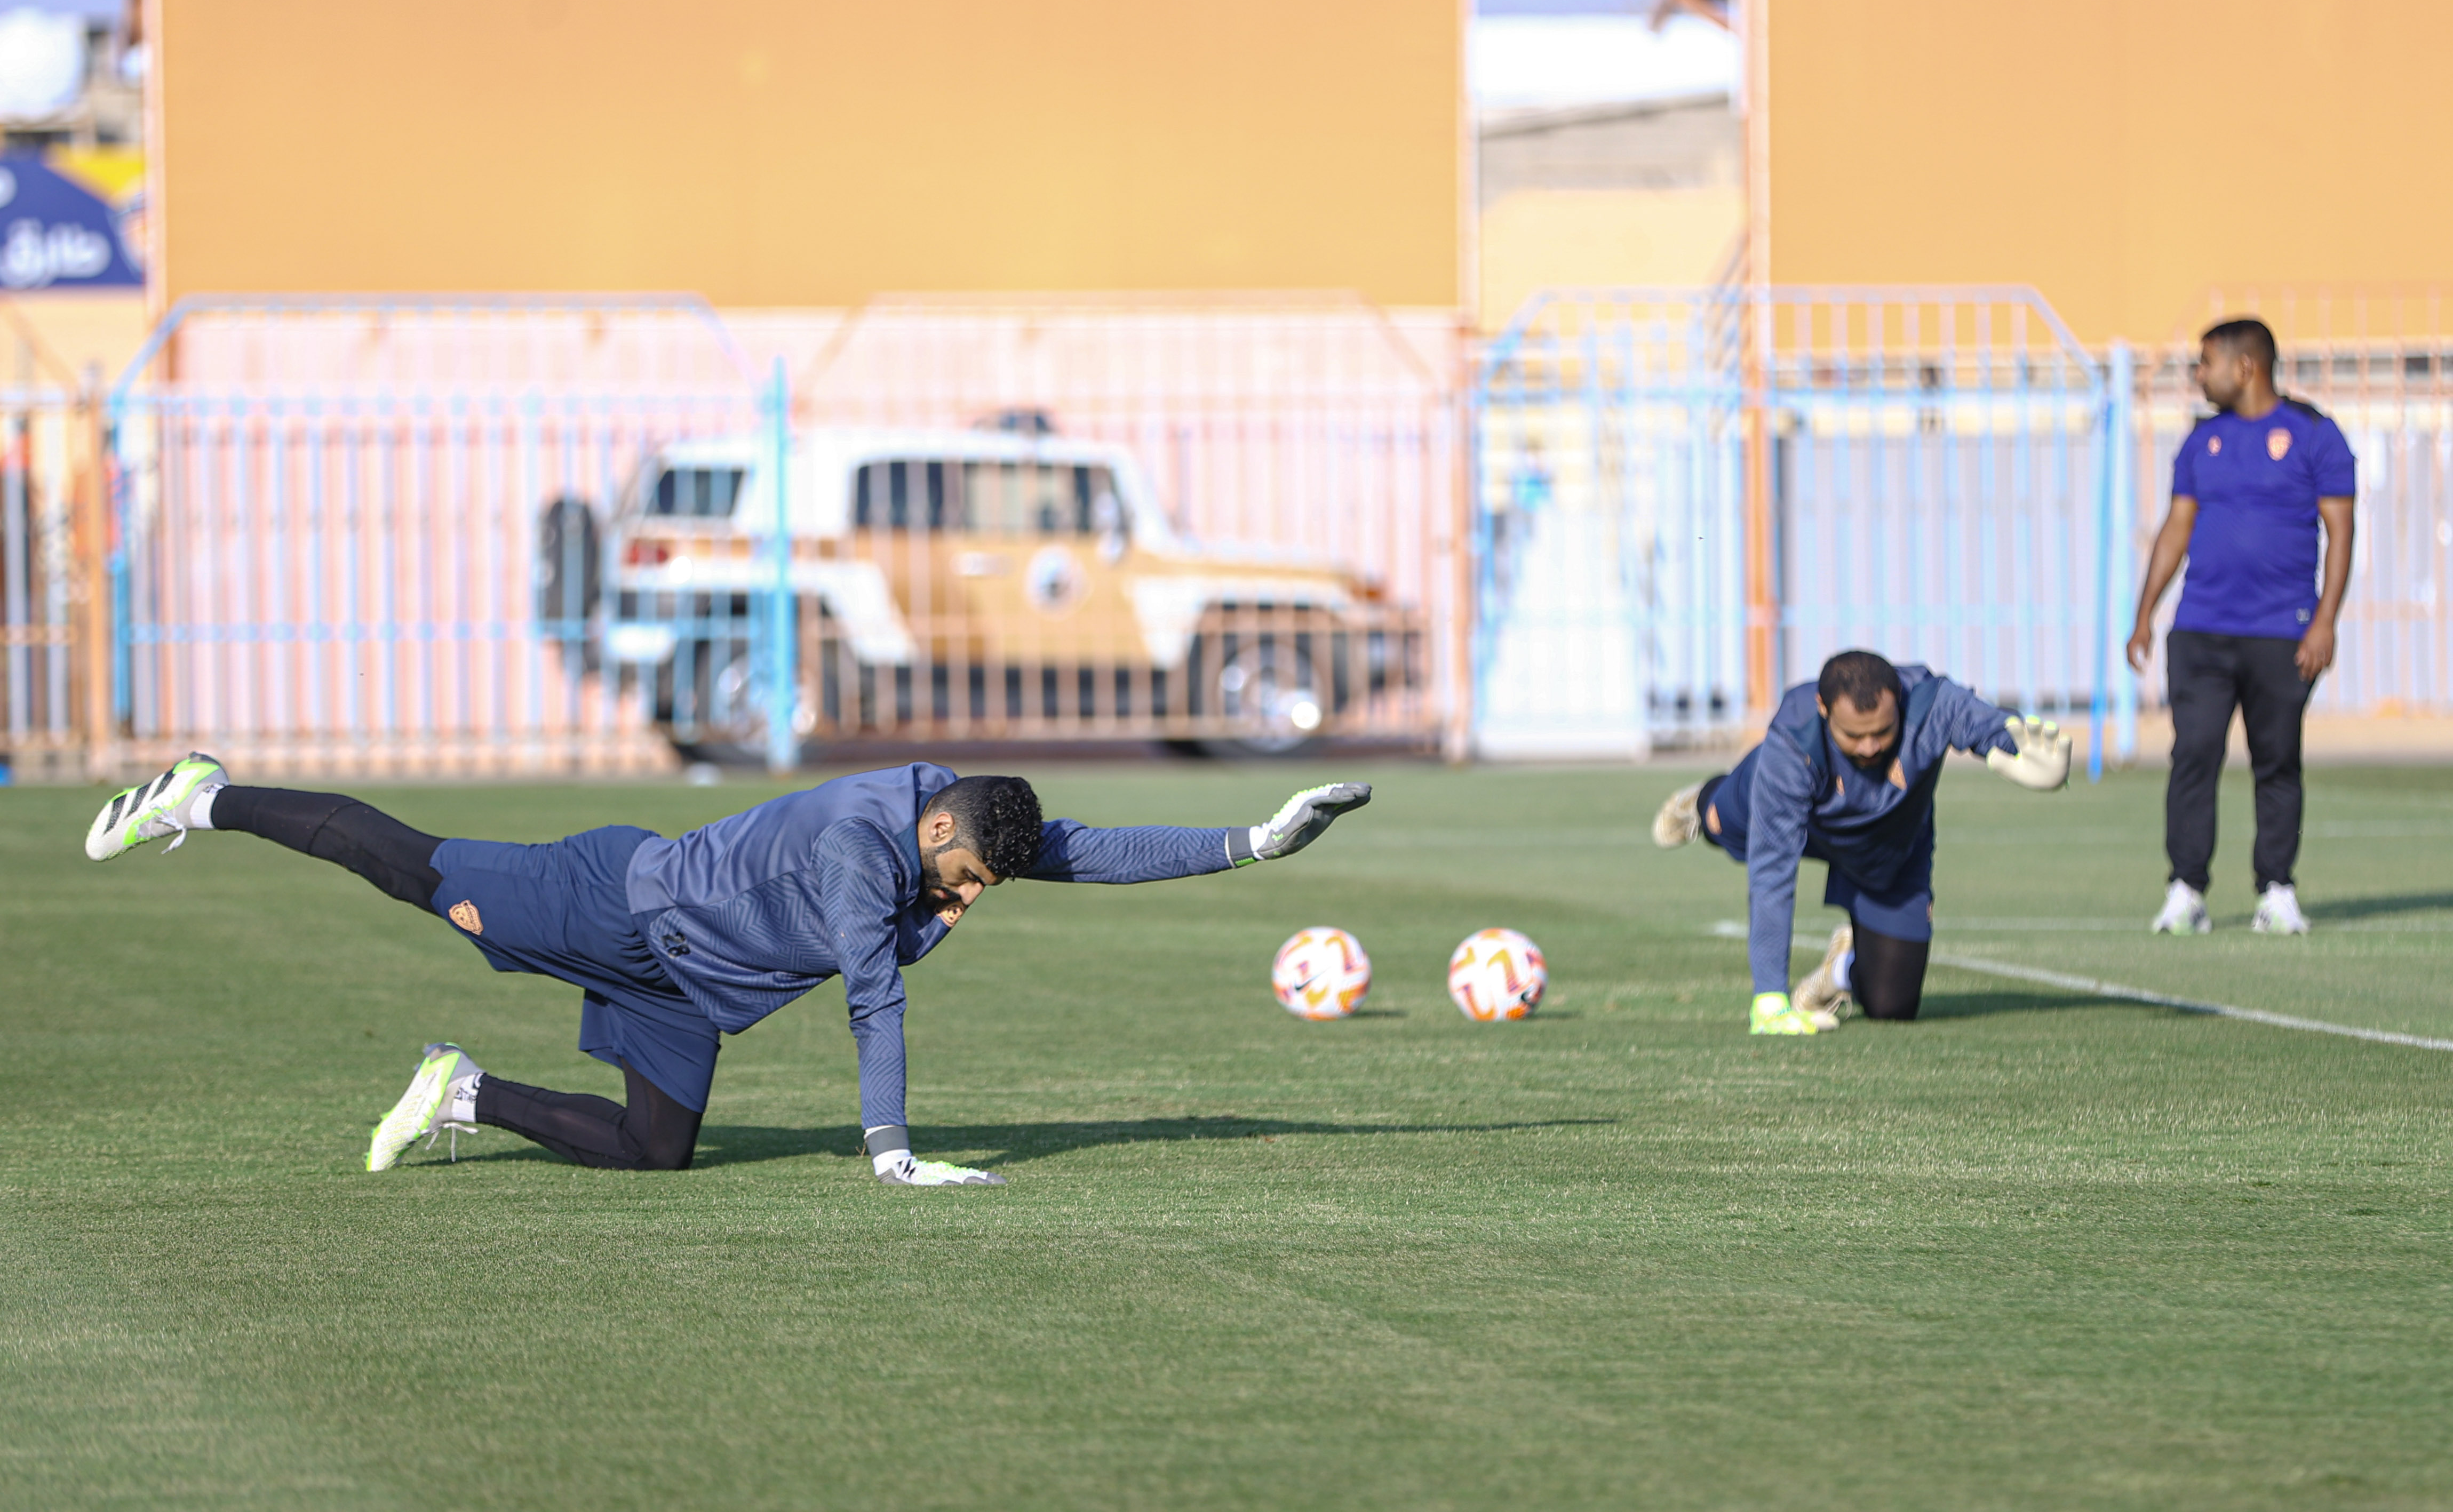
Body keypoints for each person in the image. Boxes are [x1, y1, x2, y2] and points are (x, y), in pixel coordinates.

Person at [86, 754, 1370, 1181]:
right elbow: (874, 990)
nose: (975, 897)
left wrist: (1254, 841)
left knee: (654, 1150)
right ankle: (207, 797)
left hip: (684, 981)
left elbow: (1091, 849)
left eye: (980, 882)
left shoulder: (966, 822)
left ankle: (461, 1090)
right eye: (970, 878)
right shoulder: (864, 852)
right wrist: (889, 1148)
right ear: (935, 837)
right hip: (607, 906)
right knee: (417, 871)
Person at [1652, 650, 2069, 1034]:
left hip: (1886, 843)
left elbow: (1994, 727)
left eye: (1883, 732)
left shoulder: (1934, 703)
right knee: (1719, 821)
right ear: (1823, 709)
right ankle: (1701, 800)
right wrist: (1769, 999)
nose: (1870, 746)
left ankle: (1839, 970)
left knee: (1893, 1005)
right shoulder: (1793, 742)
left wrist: (2027, 757)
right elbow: (1772, 877)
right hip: (1790, 814)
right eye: (1854, 735)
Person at [2127, 318, 2355, 937]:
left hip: (2283, 632)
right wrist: (2145, 613)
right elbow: (2176, 529)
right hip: (2200, 629)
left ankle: (2276, 890)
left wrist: (2325, 621)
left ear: (2245, 366)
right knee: (2192, 755)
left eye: (2205, 364)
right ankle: (2185, 890)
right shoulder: (2201, 443)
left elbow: (2340, 533)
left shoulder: (2313, 435)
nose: (2199, 375)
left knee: (2276, 760)